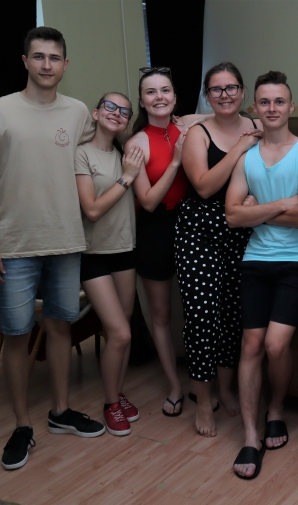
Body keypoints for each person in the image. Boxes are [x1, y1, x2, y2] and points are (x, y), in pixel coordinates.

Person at [0, 27, 106, 471]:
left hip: (66, 240)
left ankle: (60, 411)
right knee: (16, 335)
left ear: (65, 65)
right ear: (25, 61)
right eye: (38, 56)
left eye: (54, 57)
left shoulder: (79, 111)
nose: (47, 64)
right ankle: (22, 425)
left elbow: (103, 147)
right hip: (14, 245)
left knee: (61, 327)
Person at [225, 70, 298, 479]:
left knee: (276, 345)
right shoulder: (246, 156)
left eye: (279, 101)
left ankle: (276, 408)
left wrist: (257, 212)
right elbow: (232, 216)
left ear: (291, 106)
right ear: (255, 107)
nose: (272, 108)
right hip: (256, 260)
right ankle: (251, 435)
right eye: (264, 102)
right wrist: (283, 203)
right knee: (251, 344)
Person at [177, 62, 261, 437]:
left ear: (242, 91)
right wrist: (241, 146)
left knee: (232, 316)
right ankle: (202, 400)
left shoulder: (257, 125)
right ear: (207, 95)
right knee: (201, 317)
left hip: (240, 231)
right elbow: (204, 186)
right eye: (216, 89)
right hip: (200, 233)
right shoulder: (198, 134)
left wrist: (259, 198)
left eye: (231, 88)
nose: (225, 95)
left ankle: (226, 390)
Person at [124, 66, 210, 417]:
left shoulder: (190, 126)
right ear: (142, 101)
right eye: (151, 92)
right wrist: (175, 162)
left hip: (193, 223)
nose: (159, 97)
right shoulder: (135, 144)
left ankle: (203, 382)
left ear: (175, 97)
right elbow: (146, 201)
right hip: (155, 229)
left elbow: (235, 117)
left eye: (165, 90)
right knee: (161, 314)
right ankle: (174, 385)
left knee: (198, 309)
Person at [75, 92, 144, 436]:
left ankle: (117, 391)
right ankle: (109, 403)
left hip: (125, 251)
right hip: (94, 256)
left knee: (123, 329)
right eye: (110, 107)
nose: (117, 113)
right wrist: (127, 177)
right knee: (120, 332)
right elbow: (91, 209)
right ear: (96, 112)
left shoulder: (124, 153)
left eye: (124, 111)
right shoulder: (82, 154)